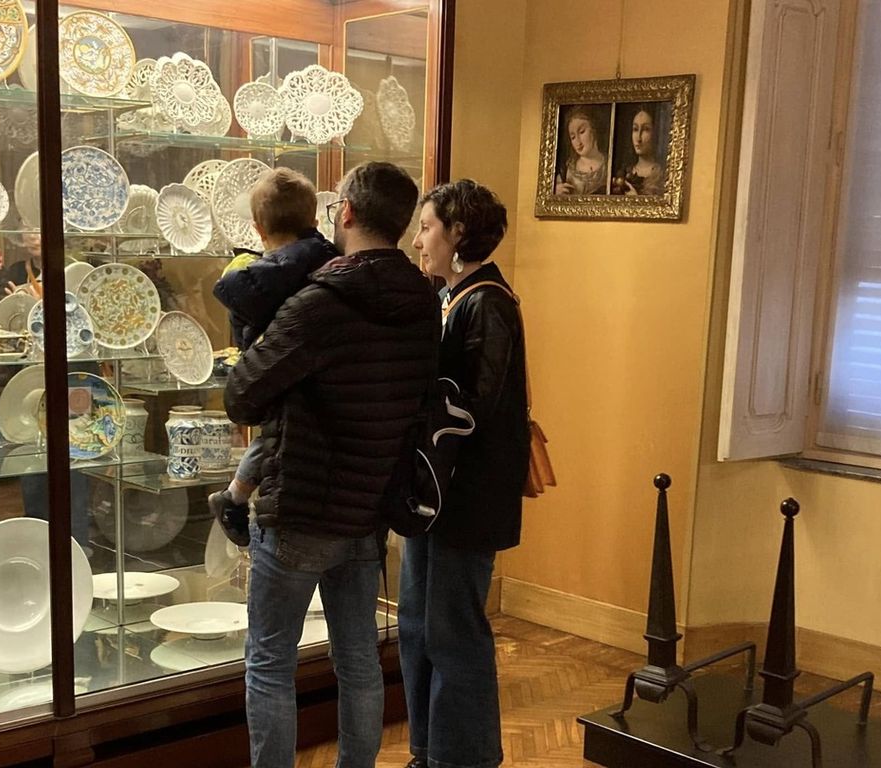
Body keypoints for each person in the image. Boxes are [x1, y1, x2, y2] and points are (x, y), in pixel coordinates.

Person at [224, 161, 440, 768]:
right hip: (369, 509)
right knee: (360, 661)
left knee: (270, 662)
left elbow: (242, 395)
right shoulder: (424, 301)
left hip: (300, 507)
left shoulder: (320, 301)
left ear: (344, 212)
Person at [403, 179, 529, 768]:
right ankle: (428, 751)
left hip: (469, 495)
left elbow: (475, 404)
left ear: (457, 232)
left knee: (453, 632)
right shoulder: (454, 296)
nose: (417, 239)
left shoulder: (488, 303)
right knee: (418, 626)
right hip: (437, 490)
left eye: (427, 227)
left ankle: (465, 760)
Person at [208, 168, 338, 547]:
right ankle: (234, 496)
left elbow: (244, 329)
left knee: (270, 437)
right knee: (275, 438)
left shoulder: (251, 275)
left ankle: (234, 497)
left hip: (264, 369)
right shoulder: (323, 258)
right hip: (307, 374)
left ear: (258, 228)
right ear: (314, 221)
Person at [554, 105, 609, 195]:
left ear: (594, 129)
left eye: (582, 132)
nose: (578, 141)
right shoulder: (566, 169)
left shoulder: (609, 164)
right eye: (573, 137)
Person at [613, 103, 666, 196]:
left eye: (646, 129)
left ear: (656, 133)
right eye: (635, 129)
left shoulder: (662, 176)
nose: (638, 138)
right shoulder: (624, 174)